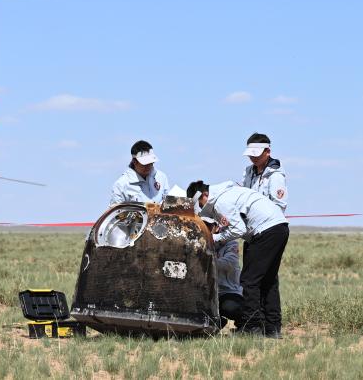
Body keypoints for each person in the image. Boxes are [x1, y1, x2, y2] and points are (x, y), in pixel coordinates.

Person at [187, 179, 289, 338]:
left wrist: (215, 238)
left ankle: (252, 328)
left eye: (199, 204)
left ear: (205, 195)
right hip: (279, 227)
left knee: (250, 281)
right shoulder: (228, 193)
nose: (200, 208)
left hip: (264, 230)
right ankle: (272, 328)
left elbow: (238, 229)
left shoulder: (221, 202)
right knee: (269, 281)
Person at [109, 140, 169, 205]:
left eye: (151, 162)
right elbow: (116, 212)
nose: (149, 166)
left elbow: (168, 203)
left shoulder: (161, 177)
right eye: (145, 163)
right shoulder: (121, 185)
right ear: (134, 162)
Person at [240, 132, 287, 214]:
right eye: (250, 154)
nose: (253, 157)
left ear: (268, 152)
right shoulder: (248, 172)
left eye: (256, 154)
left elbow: (279, 207)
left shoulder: (276, 175)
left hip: (268, 224)